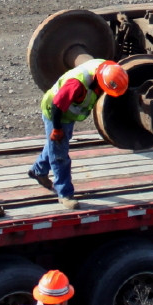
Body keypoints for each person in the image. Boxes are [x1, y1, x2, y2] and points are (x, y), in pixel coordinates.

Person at [28, 58, 129, 208]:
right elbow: (57, 106)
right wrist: (56, 128)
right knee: (60, 155)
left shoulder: (108, 69)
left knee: (57, 145)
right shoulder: (76, 84)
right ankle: (65, 194)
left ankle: (38, 170)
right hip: (55, 112)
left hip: (68, 113)